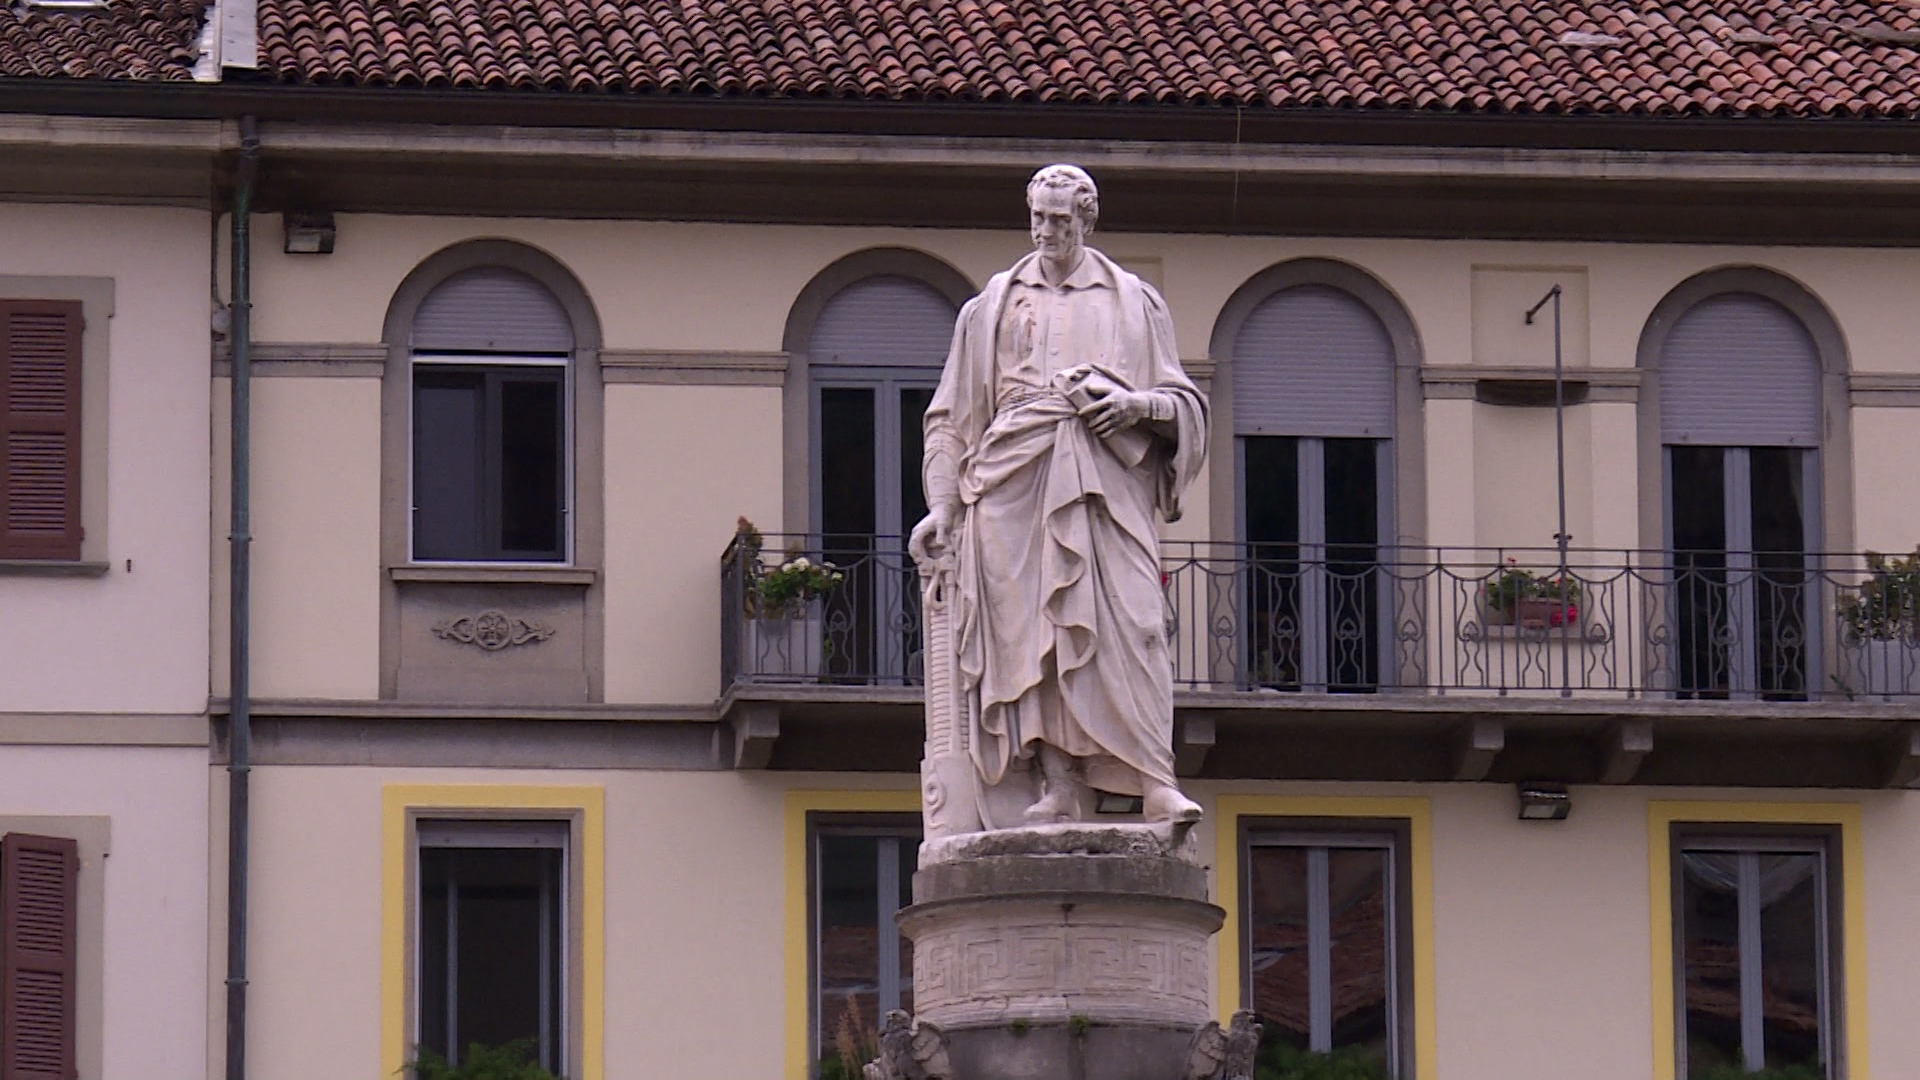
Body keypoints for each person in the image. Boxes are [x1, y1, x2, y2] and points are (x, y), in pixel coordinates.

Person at [909, 164, 1208, 826]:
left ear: (1087, 221)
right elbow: (950, 421)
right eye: (1039, 218)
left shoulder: (1134, 302)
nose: (1047, 232)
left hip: (1103, 478)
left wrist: (1134, 406)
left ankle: (1153, 777)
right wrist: (940, 506)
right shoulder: (987, 309)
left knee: (1133, 623)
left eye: (1061, 221)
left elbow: (1184, 405)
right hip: (1008, 483)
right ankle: (1061, 783)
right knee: (1031, 641)